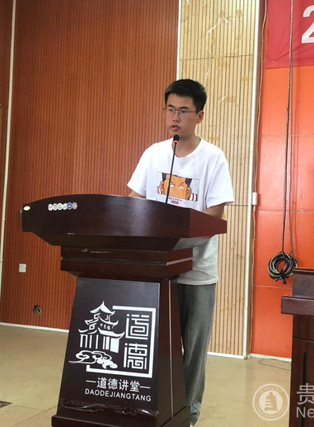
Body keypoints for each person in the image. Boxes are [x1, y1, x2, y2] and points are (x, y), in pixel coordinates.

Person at [127, 79, 234, 426]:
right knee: (155, 345)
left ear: (199, 116)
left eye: (184, 111)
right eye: (170, 109)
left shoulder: (213, 157)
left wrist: (176, 242)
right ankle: (153, 408)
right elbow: (133, 202)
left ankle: (187, 415)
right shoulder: (153, 154)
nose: (175, 117)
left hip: (197, 272)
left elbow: (214, 216)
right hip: (156, 269)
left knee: (193, 352)